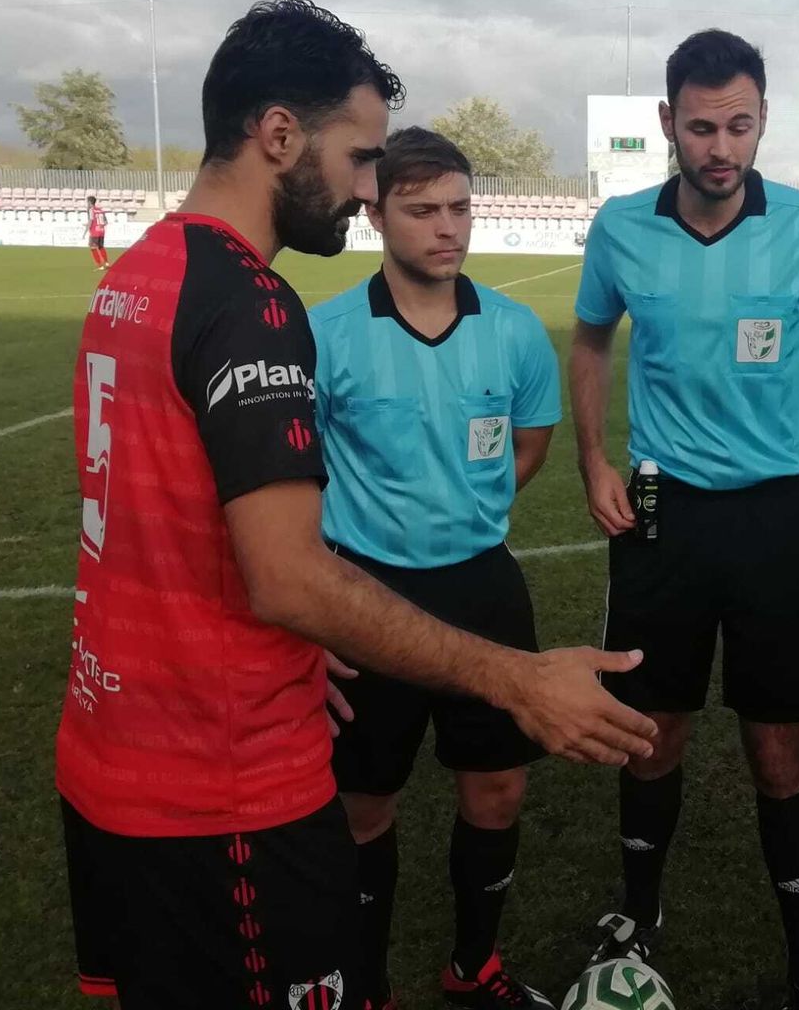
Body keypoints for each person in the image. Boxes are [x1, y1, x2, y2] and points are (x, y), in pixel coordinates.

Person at [56, 0, 656, 1010]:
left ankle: (469, 961)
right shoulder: (251, 305)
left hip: (117, 750)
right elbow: (289, 578)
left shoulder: (138, 275)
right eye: (361, 158)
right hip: (218, 775)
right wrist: (515, 677)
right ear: (279, 135)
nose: (366, 186)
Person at [569, 28, 799, 1010]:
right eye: (702, 127)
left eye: (739, 126)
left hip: (773, 520)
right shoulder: (622, 227)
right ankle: (639, 914)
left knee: (779, 750)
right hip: (661, 515)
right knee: (649, 730)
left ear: (762, 121)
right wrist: (592, 460)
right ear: (669, 122)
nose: (720, 147)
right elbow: (589, 342)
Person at [310, 127, 562, 1010]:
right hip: (362, 595)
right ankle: (367, 987)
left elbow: (529, 446)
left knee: (497, 790)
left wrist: (460, 507)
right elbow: (292, 480)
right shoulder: (325, 334)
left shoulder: (516, 331)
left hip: (483, 585)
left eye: (459, 208)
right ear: (375, 215)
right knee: (362, 805)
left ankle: (474, 966)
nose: (447, 228)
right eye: (421, 211)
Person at [84, 194, 108, 270]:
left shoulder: (91, 210)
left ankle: (100, 266)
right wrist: (100, 225)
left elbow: (91, 221)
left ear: (90, 202)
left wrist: (85, 232)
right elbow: (106, 222)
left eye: (87, 202)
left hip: (94, 232)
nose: (87, 204)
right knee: (101, 247)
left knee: (93, 248)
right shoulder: (101, 210)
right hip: (101, 232)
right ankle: (106, 262)